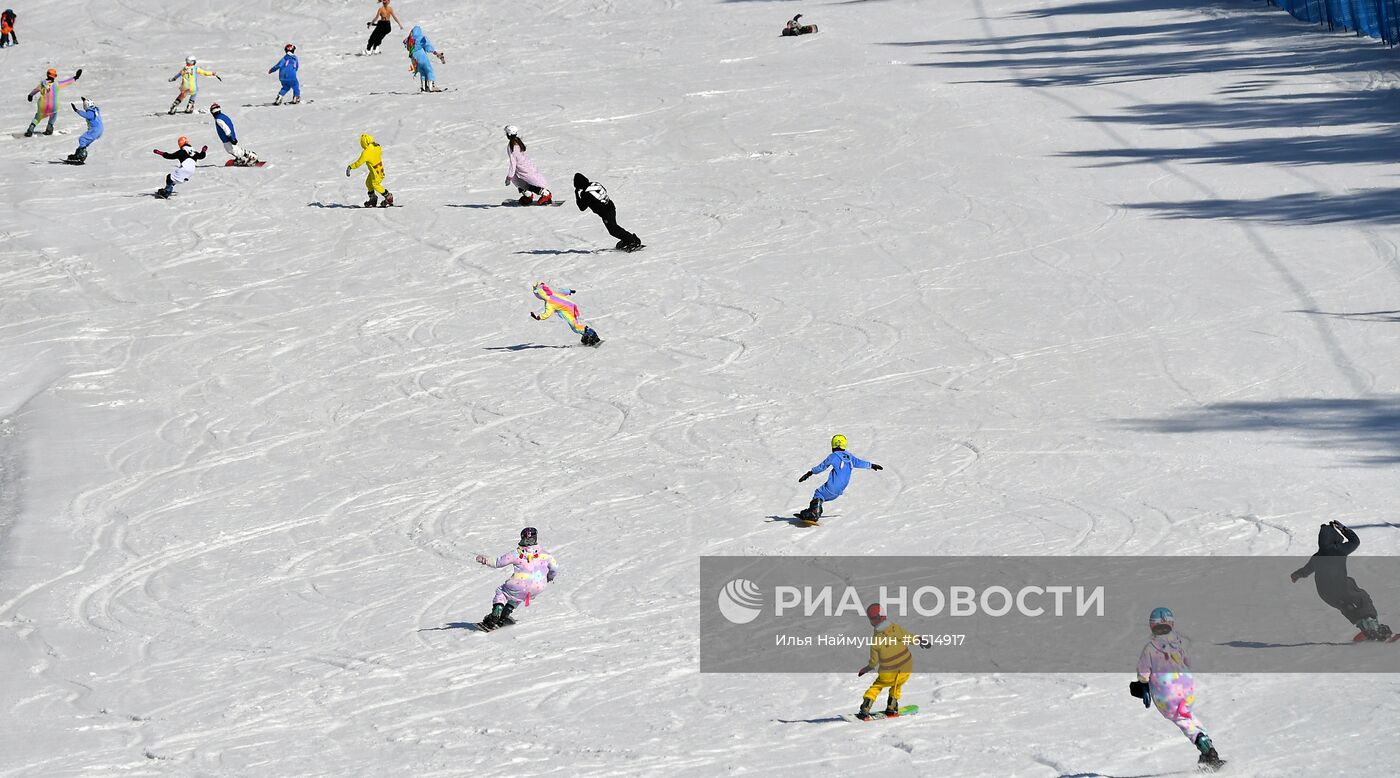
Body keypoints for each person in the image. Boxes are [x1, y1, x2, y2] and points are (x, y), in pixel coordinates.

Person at [1130, 608, 1225, 770]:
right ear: (1171, 624)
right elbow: (1188, 662)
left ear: (1152, 626)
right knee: (1187, 715)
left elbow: (1144, 673)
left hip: (1166, 693)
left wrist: (1143, 684)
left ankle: (1203, 745)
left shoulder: (1150, 648)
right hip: (1186, 688)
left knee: (1181, 719)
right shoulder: (1178, 643)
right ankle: (1207, 746)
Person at [1291, 520, 1393, 641]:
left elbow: (1306, 570)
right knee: (1362, 598)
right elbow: (1355, 542)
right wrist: (1343, 529)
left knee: (1346, 606)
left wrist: (1296, 574)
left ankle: (1366, 629)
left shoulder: (1317, 556)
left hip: (1325, 594)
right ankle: (1373, 627)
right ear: (1334, 537)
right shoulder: (1338, 549)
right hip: (1340, 587)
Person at [474, 527, 559, 631]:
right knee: (519, 596)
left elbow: (497, 563)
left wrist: (483, 559)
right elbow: (554, 568)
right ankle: (504, 616)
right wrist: (549, 577)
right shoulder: (546, 554)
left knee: (502, 592)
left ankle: (495, 615)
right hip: (538, 587)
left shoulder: (517, 553)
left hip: (519, 583)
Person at [855, 604, 927, 719]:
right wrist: (919, 640)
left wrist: (867, 668)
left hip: (888, 672)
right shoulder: (895, 628)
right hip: (905, 668)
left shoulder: (875, 640)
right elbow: (908, 636)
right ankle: (891, 708)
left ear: (872, 621)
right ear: (884, 615)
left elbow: (874, 661)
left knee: (877, 686)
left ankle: (865, 709)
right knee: (897, 684)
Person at [795, 434, 882, 521]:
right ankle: (815, 510)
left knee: (819, 493)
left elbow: (822, 467)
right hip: (840, 490)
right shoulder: (850, 457)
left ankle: (814, 512)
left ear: (833, 444)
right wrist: (871, 465)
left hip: (832, 486)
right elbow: (860, 462)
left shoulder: (834, 456)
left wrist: (810, 473)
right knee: (821, 497)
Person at [573, 173, 642, 251]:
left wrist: (577, 194)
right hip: (610, 206)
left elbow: (581, 207)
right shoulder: (595, 184)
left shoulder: (586, 194)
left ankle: (632, 241)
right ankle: (629, 240)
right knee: (614, 228)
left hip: (606, 212)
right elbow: (605, 190)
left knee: (613, 230)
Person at [530, 283, 600, 346]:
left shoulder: (549, 303)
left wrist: (538, 317)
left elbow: (547, 314)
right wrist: (569, 291)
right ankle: (586, 334)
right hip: (571, 306)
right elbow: (562, 292)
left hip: (568, 311)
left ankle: (591, 334)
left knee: (575, 327)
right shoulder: (553, 293)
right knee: (576, 324)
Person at [503, 125, 552, 205]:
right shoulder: (517, 142)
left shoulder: (512, 146)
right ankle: (528, 195)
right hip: (525, 167)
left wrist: (508, 178)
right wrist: (511, 177)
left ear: (508, 134)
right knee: (516, 180)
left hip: (525, 169)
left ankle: (546, 195)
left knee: (533, 183)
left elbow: (513, 163)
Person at [25, 67, 81, 137]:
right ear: (55, 76)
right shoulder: (57, 84)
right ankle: (49, 128)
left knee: (38, 117)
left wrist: (30, 95)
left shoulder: (42, 84)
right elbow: (67, 82)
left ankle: (31, 129)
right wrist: (75, 77)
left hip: (43, 105)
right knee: (53, 115)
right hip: (53, 106)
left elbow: (35, 90)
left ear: (47, 75)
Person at [345, 133, 394, 207]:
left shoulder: (366, 153)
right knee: (368, 183)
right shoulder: (377, 147)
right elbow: (379, 152)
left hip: (375, 173)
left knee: (375, 185)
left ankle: (388, 197)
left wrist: (350, 167)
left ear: (364, 143)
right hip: (378, 170)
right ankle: (373, 199)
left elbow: (358, 163)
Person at [403, 24, 445, 92]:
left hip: (414, 59)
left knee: (422, 71)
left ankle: (423, 87)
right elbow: (428, 46)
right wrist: (436, 53)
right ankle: (431, 86)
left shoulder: (409, 40)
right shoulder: (421, 38)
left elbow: (405, 43)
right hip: (422, 58)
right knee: (429, 70)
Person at [66, 97, 102, 163]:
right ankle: (78, 154)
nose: (84, 107)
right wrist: (85, 101)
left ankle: (82, 155)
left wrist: (77, 110)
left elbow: (86, 115)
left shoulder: (91, 113)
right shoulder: (95, 110)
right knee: (84, 144)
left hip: (95, 130)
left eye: (84, 105)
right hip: (99, 130)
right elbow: (92, 107)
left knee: (82, 139)